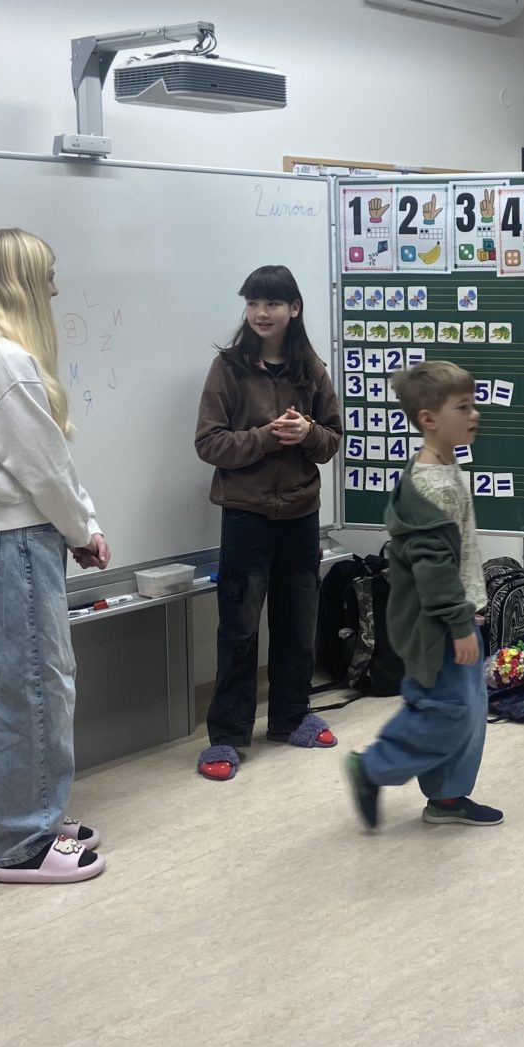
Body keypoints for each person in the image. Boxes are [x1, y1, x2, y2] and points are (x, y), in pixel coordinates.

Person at [0, 228, 110, 884]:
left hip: (18, 539)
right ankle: (24, 843)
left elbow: (45, 458)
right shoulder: (1, 356)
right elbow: (44, 467)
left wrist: (76, 525)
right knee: (31, 688)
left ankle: (37, 815)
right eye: (48, 276)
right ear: (23, 282)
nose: (56, 289)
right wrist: (83, 529)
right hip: (20, 541)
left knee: (34, 683)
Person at [193, 265, 342, 781]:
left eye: (272, 303)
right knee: (238, 627)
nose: (261, 313)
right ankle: (227, 736)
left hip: (301, 514)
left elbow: (332, 440)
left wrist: (307, 434)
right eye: (253, 302)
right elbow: (208, 443)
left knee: (298, 622)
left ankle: (291, 717)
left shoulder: (310, 369)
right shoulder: (228, 368)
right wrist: (265, 436)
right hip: (246, 516)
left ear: (293, 309)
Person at [343, 361, 502, 829]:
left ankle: (447, 798)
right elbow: (433, 569)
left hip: (459, 613)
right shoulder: (430, 486)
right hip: (439, 623)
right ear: (429, 418)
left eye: (473, 405)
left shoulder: (446, 463)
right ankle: (373, 767)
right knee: (445, 709)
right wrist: (458, 620)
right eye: (463, 407)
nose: (475, 415)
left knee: (469, 708)